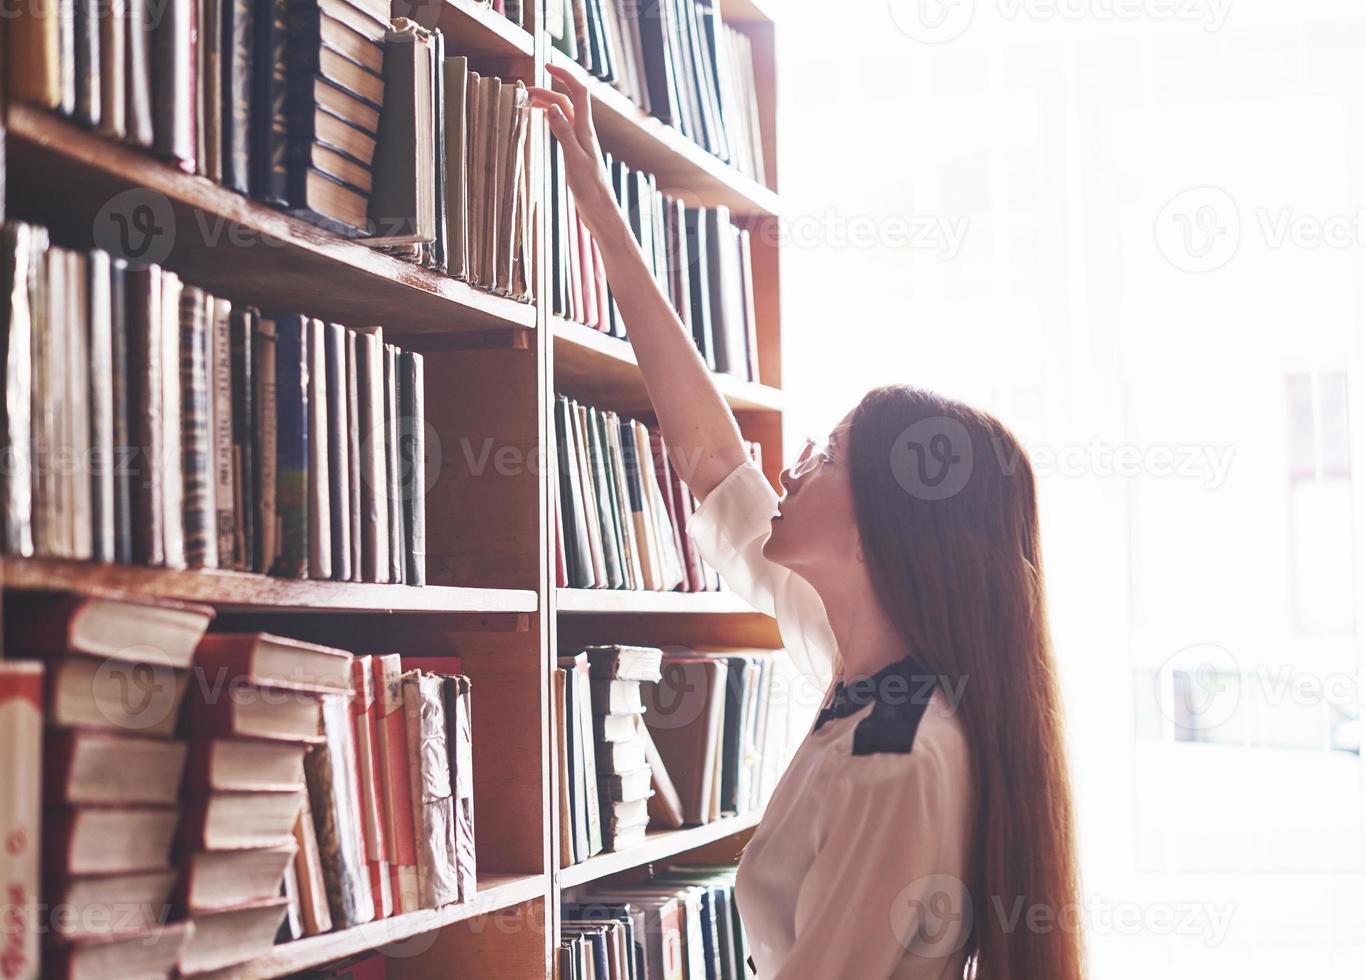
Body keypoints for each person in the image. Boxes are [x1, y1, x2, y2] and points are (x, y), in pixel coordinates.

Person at [532, 65, 1085, 980]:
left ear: (884, 529)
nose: (788, 465)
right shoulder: (878, 679)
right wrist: (601, 214)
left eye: (824, 455)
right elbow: (712, 459)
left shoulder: (894, 751)